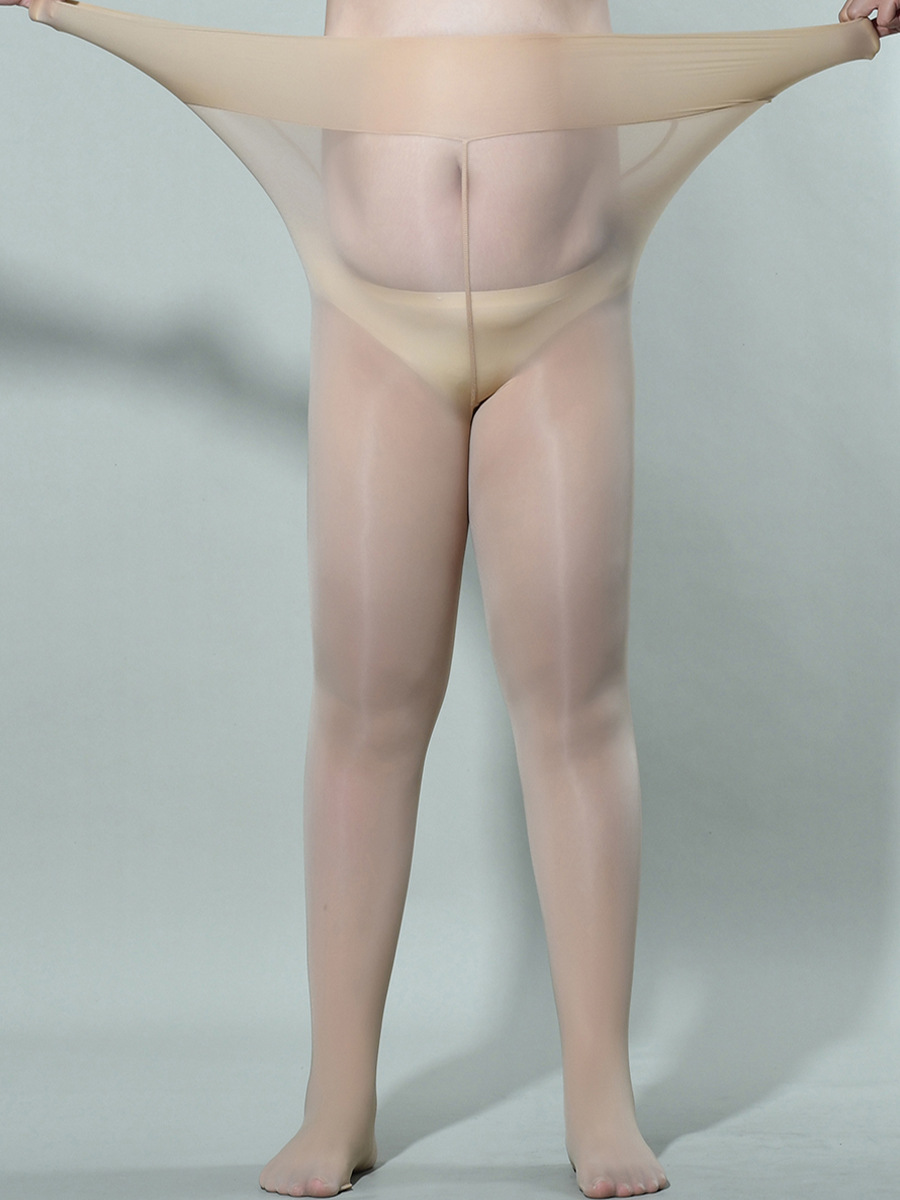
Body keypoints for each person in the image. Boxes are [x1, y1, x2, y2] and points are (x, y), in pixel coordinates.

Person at [3, 2, 896, 1197]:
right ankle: (338, 1097)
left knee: (576, 706)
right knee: (365, 709)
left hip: (565, 304)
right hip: (375, 310)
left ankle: (599, 1091)